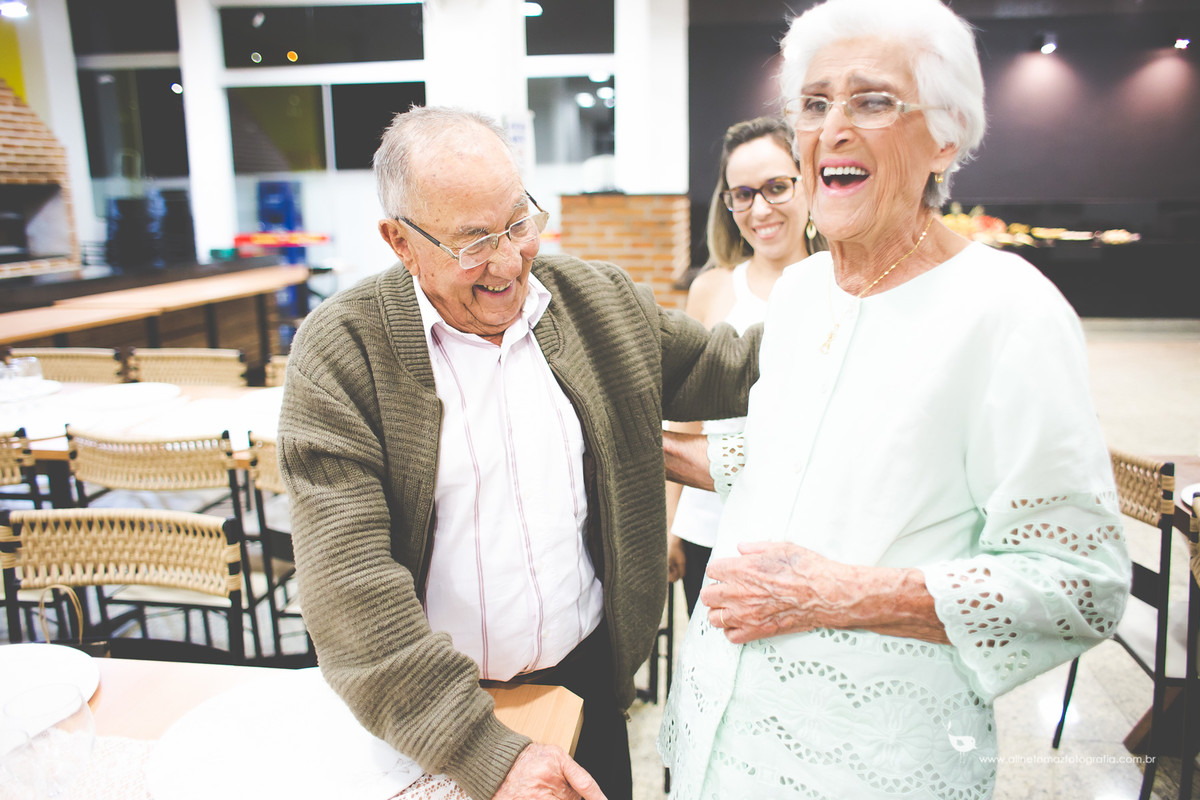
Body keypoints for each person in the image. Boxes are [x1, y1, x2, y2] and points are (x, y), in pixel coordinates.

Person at [657, 1, 1131, 797]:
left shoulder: (1007, 311)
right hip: (723, 732)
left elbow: (1081, 584)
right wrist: (651, 449)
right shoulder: (803, 292)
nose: (833, 128)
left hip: (872, 757)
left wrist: (835, 595)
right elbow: (801, 456)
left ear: (946, 135)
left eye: (872, 101)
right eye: (814, 104)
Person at [276, 106, 762, 800]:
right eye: (473, 242)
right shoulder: (345, 350)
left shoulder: (596, 303)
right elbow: (349, 589)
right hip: (434, 719)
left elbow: (729, 369)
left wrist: (858, 304)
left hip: (586, 687)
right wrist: (484, 751)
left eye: (518, 223)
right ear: (400, 242)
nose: (508, 261)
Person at [667, 116, 825, 614]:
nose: (759, 209)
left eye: (777, 187)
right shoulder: (711, 289)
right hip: (708, 527)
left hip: (808, 529)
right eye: (742, 194)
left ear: (808, 183)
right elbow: (684, 420)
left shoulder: (841, 284)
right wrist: (667, 526)